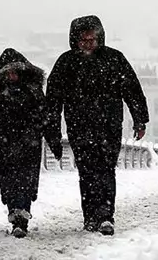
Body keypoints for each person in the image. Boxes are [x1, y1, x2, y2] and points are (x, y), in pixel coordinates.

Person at [44, 15, 149, 236]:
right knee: (87, 171)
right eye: (84, 40)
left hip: (108, 126)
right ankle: (90, 216)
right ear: (76, 40)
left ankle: (105, 216)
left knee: (106, 170)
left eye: (92, 39)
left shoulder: (114, 59)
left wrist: (140, 119)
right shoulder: (66, 63)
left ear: (99, 38)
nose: (89, 44)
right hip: (79, 127)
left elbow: (132, 89)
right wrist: (52, 130)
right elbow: (52, 100)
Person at [0, 48, 63, 238]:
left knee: (25, 182)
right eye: (8, 72)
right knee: (8, 183)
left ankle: (21, 218)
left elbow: (46, 118)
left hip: (28, 145)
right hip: (3, 145)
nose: (12, 75)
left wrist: (54, 142)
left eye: (15, 71)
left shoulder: (33, 91)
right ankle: (15, 212)